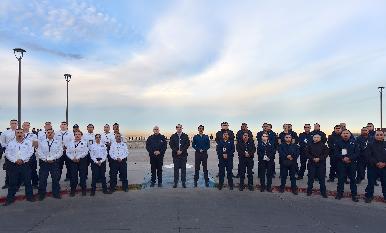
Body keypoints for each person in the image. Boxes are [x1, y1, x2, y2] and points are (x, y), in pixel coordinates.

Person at [3, 128, 35, 206]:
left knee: (28, 182)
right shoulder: (10, 143)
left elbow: (31, 152)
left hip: (25, 165)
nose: (19, 134)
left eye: (21, 132)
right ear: (15, 134)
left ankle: (30, 197)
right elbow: (7, 154)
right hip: (14, 165)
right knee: (12, 183)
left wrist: (23, 160)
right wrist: (15, 160)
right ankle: (10, 199)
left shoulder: (28, 142)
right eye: (18, 132)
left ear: (23, 134)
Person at [36, 128, 63, 200]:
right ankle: (41, 194)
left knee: (55, 179)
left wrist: (53, 158)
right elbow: (39, 152)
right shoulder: (42, 142)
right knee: (42, 179)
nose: (50, 134)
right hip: (44, 163)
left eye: (51, 132)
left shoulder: (58, 142)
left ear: (54, 134)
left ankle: (56, 193)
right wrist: (46, 159)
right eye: (48, 132)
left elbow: (60, 152)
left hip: (54, 162)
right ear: (46, 134)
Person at [334, 130, 359, 202]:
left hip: (352, 163)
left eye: (347, 133)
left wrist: (349, 158)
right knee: (341, 179)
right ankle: (339, 193)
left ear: (350, 135)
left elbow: (357, 153)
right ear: (341, 135)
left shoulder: (354, 142)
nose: (345, 134)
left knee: (353, 180)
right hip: (341, 163)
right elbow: (336, 153)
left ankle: (354, 195)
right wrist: (343, 158)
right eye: (344, 133)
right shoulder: (338, 142)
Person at [364, 130, 386, 203]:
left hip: (384, 168)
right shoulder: (370, 144)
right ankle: (369, 196)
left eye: (381, 135)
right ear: (374, 136)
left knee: (385, 183)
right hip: (373, 167)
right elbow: (368, 156)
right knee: (371, 183)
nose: (379, 136)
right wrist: (376, 163)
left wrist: (384, 163)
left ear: (383, 136)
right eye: (377, 135)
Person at [66, 131, 89, 196]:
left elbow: (85, 152)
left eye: (79, 134)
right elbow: (68, 152)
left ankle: (83, 190)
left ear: (81, 135)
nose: (77, 135)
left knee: (82, 176)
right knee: (73, 176)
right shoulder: (70, 143)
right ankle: (73, 190)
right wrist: (72, 158)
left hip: (82, 161)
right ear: (74, 135)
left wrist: (78, 157)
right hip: (72, 161)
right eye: (76, 134)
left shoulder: (84, 143)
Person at [169, 124, 190, 188]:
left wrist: (181, 150)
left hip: (183, 155)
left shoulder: (185, 136)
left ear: (182, 128)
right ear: (176, 128)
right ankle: (175, 182)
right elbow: (171, 145)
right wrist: (176, 151)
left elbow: (187, 144)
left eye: (180, 127)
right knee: (176, 170)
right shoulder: (173, 136)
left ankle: (183, 182)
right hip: (175, 155)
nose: (179, 128)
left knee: (183, 169)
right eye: (178, 127)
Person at [0, 119, 18, 189]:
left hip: (19, 154)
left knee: (18, 170)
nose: (14, 125)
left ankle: (17, 184)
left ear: (17, 124)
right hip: (9, 154)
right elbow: (2, 143)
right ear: (10, 124)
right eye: (12, 123)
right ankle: (7, 183)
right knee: (8, 170)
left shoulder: (20, 132)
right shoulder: (5, 133)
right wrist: (9, 148)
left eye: (15, 123)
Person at [22, 121, 39, 188]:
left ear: (29, 126)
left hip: (31, 155)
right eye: (25, 125)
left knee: (33, 170)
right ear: (22, 126)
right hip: (22, 155)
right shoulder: (19, 133)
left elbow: (35, 145)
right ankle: (23, 182)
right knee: (22, 170)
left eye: (27, 125)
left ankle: (35, 184)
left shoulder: (33, 135)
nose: (26, 126)